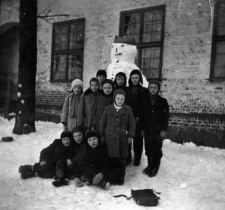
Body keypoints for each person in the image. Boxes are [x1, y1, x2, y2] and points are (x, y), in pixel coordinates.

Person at [99, 89, 136, 185]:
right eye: (118, 98)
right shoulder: (108, 108)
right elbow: (102, 124)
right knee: (111, 159)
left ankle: (120, 177)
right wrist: (102, 135)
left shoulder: (128, 109)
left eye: (122, 99)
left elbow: (132, 124)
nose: (120, 101)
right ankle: (111, 177)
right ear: (114, 99)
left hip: (122, 139)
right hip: (110, 138)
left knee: (121, 160)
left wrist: (130, 136)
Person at [140, 79, 169, 177]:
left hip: (158, 130)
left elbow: (165, 117)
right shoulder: (144, 100)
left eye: (155, 88)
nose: (153, 89)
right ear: (148, 88)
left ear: (158, 89)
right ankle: (150, 165)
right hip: (147, 130)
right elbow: (142, 116)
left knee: (156, 148)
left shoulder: (163, 101)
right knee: (148, 148)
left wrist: (164, 129)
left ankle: (155, 167)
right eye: (151, 87)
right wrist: (142, 129)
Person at [125, 69, 148, 166]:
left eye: (136, 78)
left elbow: (144, 106)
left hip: (139, 119)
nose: (134, 80)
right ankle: (127, 156)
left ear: (140, 79)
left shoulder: (144, 91)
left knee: (138, 140)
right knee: (128, 139)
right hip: (128, 119)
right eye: (133, 78)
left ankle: (137, 158)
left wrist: (138, 117)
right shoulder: (126, 90)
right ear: (130, 79)